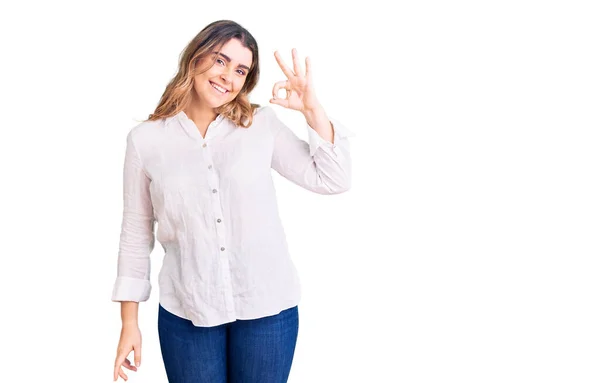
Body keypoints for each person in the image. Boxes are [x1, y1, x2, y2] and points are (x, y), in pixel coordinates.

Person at [111, 19, 354, 383]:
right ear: (195, 59)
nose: (228, 76)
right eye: (220, 60)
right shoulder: (145, 141)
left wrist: (311, 109)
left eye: (240, 69)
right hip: (187, 311)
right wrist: (129, 323)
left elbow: (332, 179)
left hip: (268, 309)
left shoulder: (260, 125)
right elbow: (135, 233)